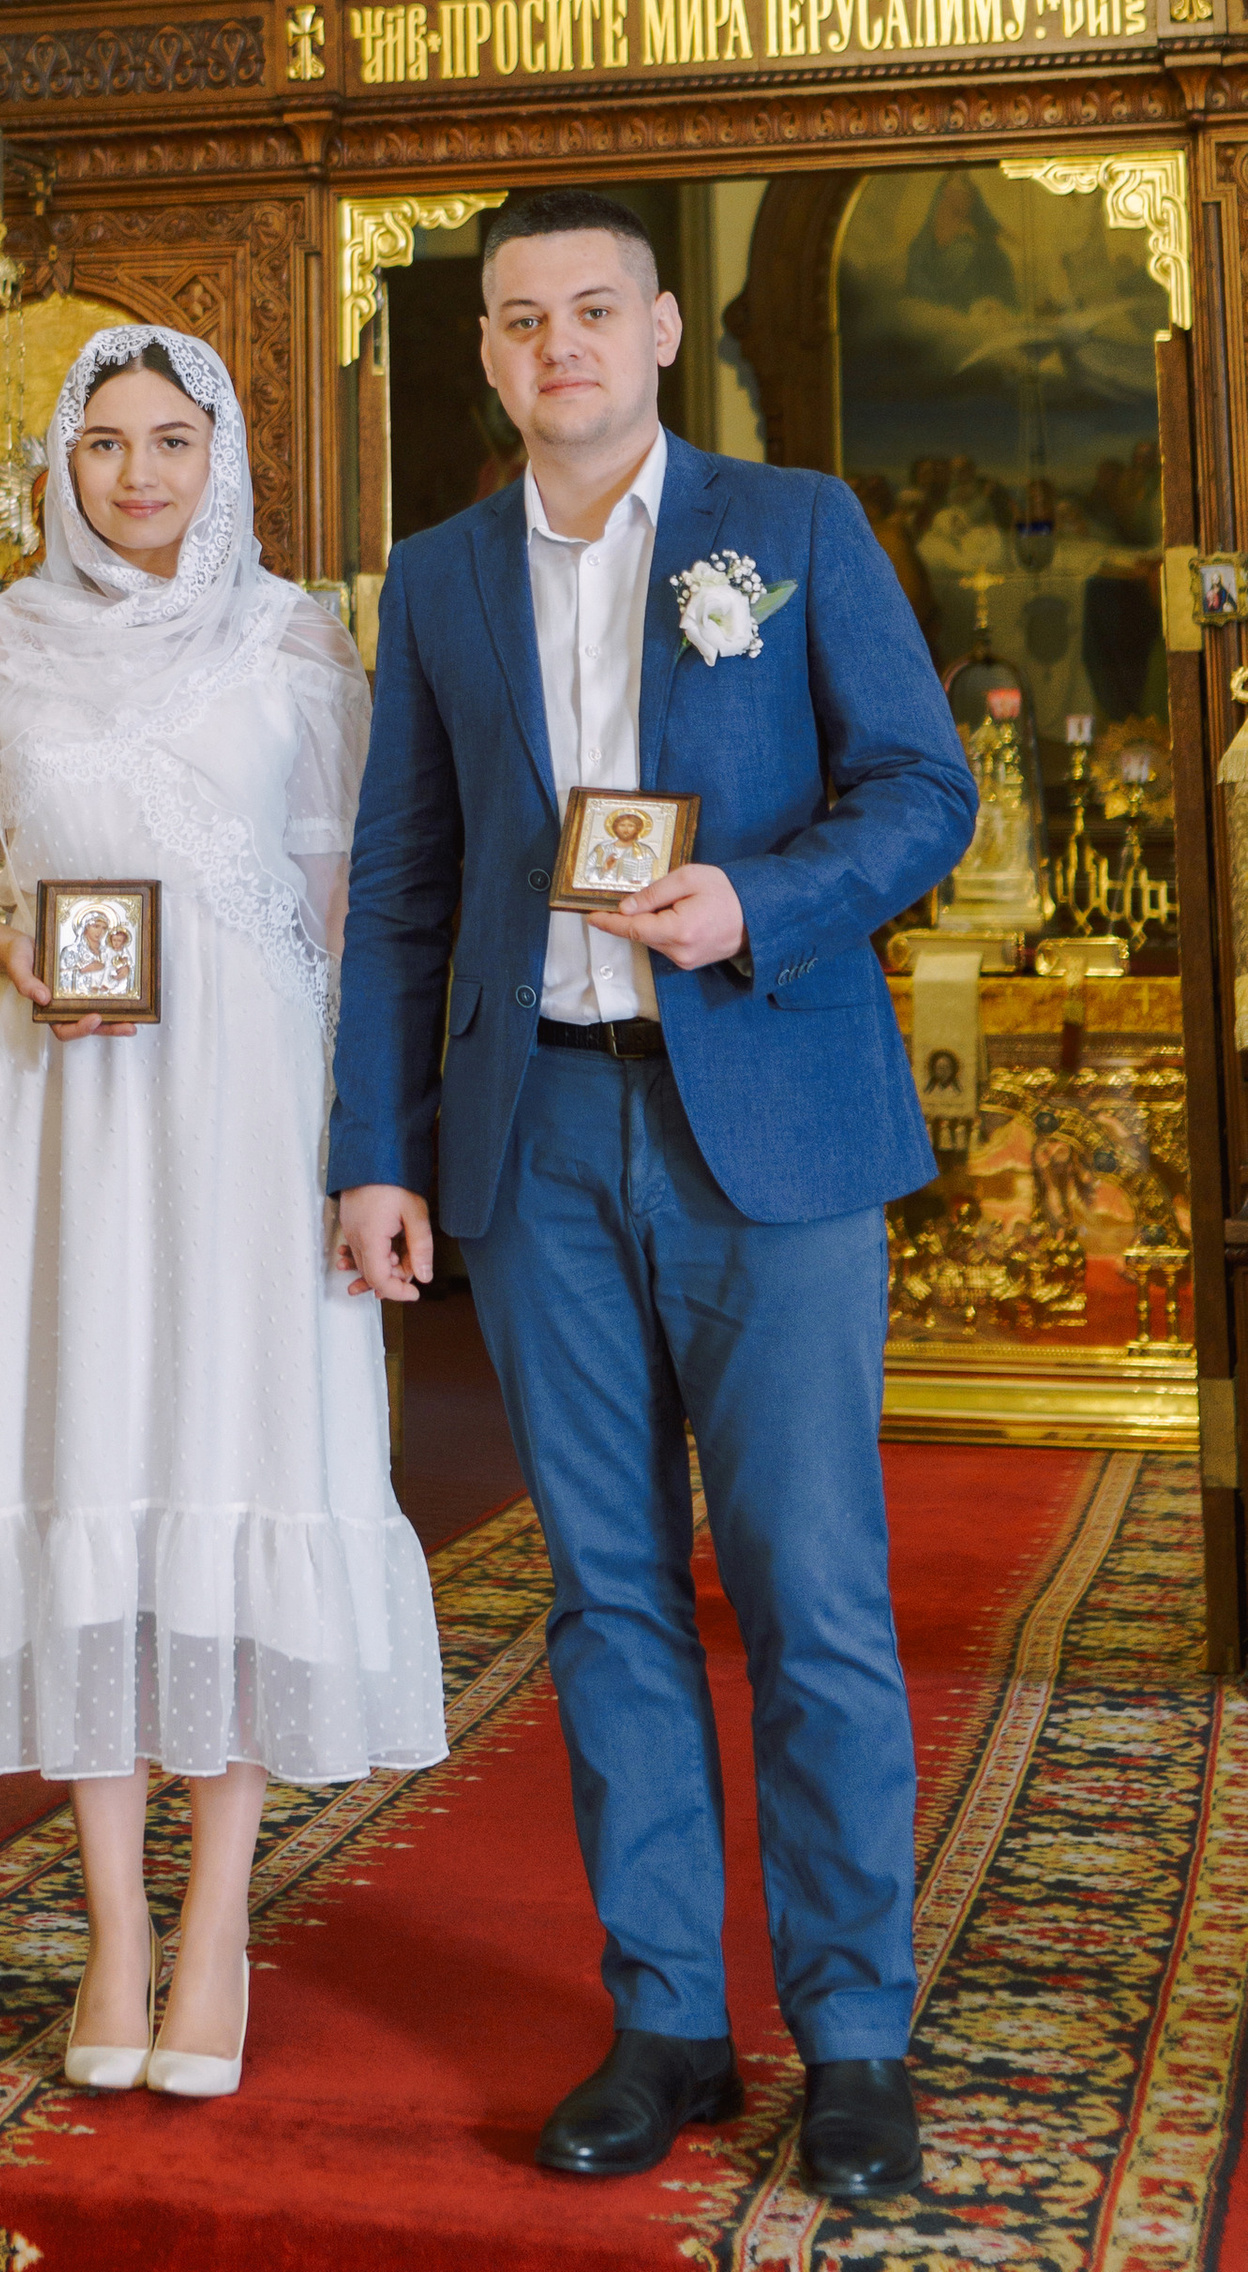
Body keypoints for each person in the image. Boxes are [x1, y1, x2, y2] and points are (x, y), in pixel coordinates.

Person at [331, 188, 974, 2206]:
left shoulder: (786, 535)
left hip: (764, 1134)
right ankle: (666, 2024)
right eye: (518, 321)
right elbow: (397, 896)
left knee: (809, 1590)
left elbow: (918, 791)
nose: (556, 348)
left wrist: (748, 904)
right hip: (537, 1147)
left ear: (661, 328)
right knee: (602, 1601)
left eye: (589, 310)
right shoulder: (433, 581)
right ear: (489, 356)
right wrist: (375, 1151)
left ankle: (850, 2034)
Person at [0, 327, 445, 2103]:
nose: (136, 476)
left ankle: (216, 1930)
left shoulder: (296, 645)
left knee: (233, 1459)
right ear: (54, 468)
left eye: (170, 441)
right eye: (102, 446)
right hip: (67, 1114)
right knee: (87, 1462)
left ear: (222, 455)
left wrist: (367, 1154)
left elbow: (350, 925)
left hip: (249, 1122)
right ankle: (117, 1921)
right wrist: (10, 957)